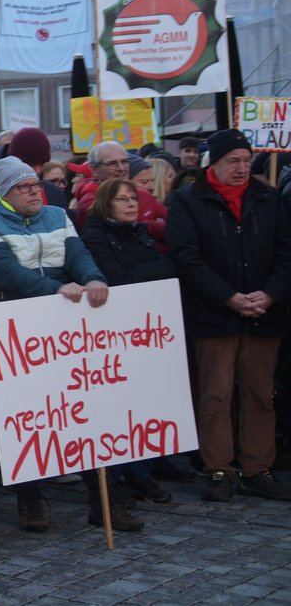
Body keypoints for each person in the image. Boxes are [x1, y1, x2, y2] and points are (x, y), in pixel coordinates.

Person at [0, 156, 113, 532]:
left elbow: (78, 256)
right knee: (22, 415)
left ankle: (102, 497)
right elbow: (7, 272)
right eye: (24, 187)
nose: (35, 191)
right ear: (5, 193)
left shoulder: (58, 215)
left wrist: (94, 279)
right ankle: (29, 497)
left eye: (36, 185)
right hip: (13, 327)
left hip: (60, 324)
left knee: (79, 405)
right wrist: (56, 288)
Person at [167, 129, 291, 502]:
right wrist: (228, 297)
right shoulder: (189, 199)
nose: (241, 168)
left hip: (262, 312)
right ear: (214, 163)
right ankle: (219, 469)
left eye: (245, 160)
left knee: (260, 394)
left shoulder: (267, 197)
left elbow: (287, 252)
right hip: (214, 313)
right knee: (215, 395)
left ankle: (257, 468)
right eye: (232, 161)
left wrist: (269, 294)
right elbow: (186, 257)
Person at [81, 178, 182, 499]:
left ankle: (144, 468)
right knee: (119, 406)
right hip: (113, 333)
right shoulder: (96, 235)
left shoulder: (137, 232)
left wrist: (153, 271)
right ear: (105, 204)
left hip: (146, 331)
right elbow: (121, 280)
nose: (131, 205)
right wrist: (157, 270)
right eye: (122, 199)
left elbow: (166, 269)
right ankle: (125, 476)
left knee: (145, 402)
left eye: (133, 199)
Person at [74, 142, 168, 250]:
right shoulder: (90, 202)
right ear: (94, 169)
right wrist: (151, 227)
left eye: (124, 161)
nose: (121, 168)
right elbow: (123, 236)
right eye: (112, 163)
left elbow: (174, 226)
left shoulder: (143, 194)